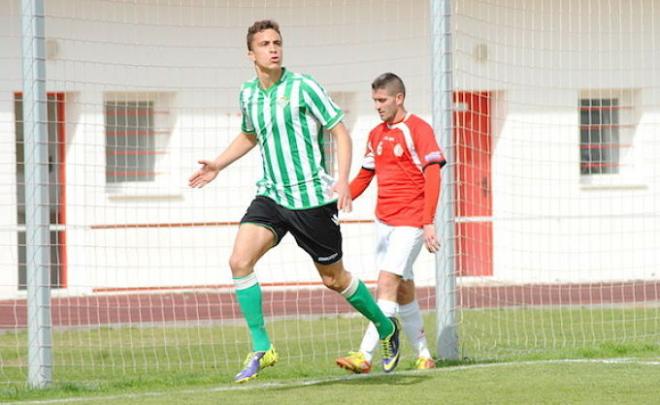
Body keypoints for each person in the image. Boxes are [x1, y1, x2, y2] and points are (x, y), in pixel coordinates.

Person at [189, 20, 401, 384]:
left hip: (312, 201)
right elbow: (250, 134)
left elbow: (340, 131)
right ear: (250, 54)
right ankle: (262, 347)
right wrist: (218, 165)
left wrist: (344, 183)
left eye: (278, 42)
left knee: (334, 280)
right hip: (271, 195)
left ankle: (385, 327)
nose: (273, 49)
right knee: (239, 261)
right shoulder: (248, 94)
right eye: (265, 44)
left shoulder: (303, 87)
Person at [335, 73, 445, 373]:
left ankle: (365, 354)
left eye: (382, 100)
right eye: (374, 101)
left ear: (399, 98)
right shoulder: (376, 134)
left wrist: (428, 222)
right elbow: (364, 176)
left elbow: (433, 174)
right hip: (384, 222)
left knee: (385, 282)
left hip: (411, 222)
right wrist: (337, 200)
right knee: (403, 288)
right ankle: (424, 355)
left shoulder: (418, 130)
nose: (377, 106)